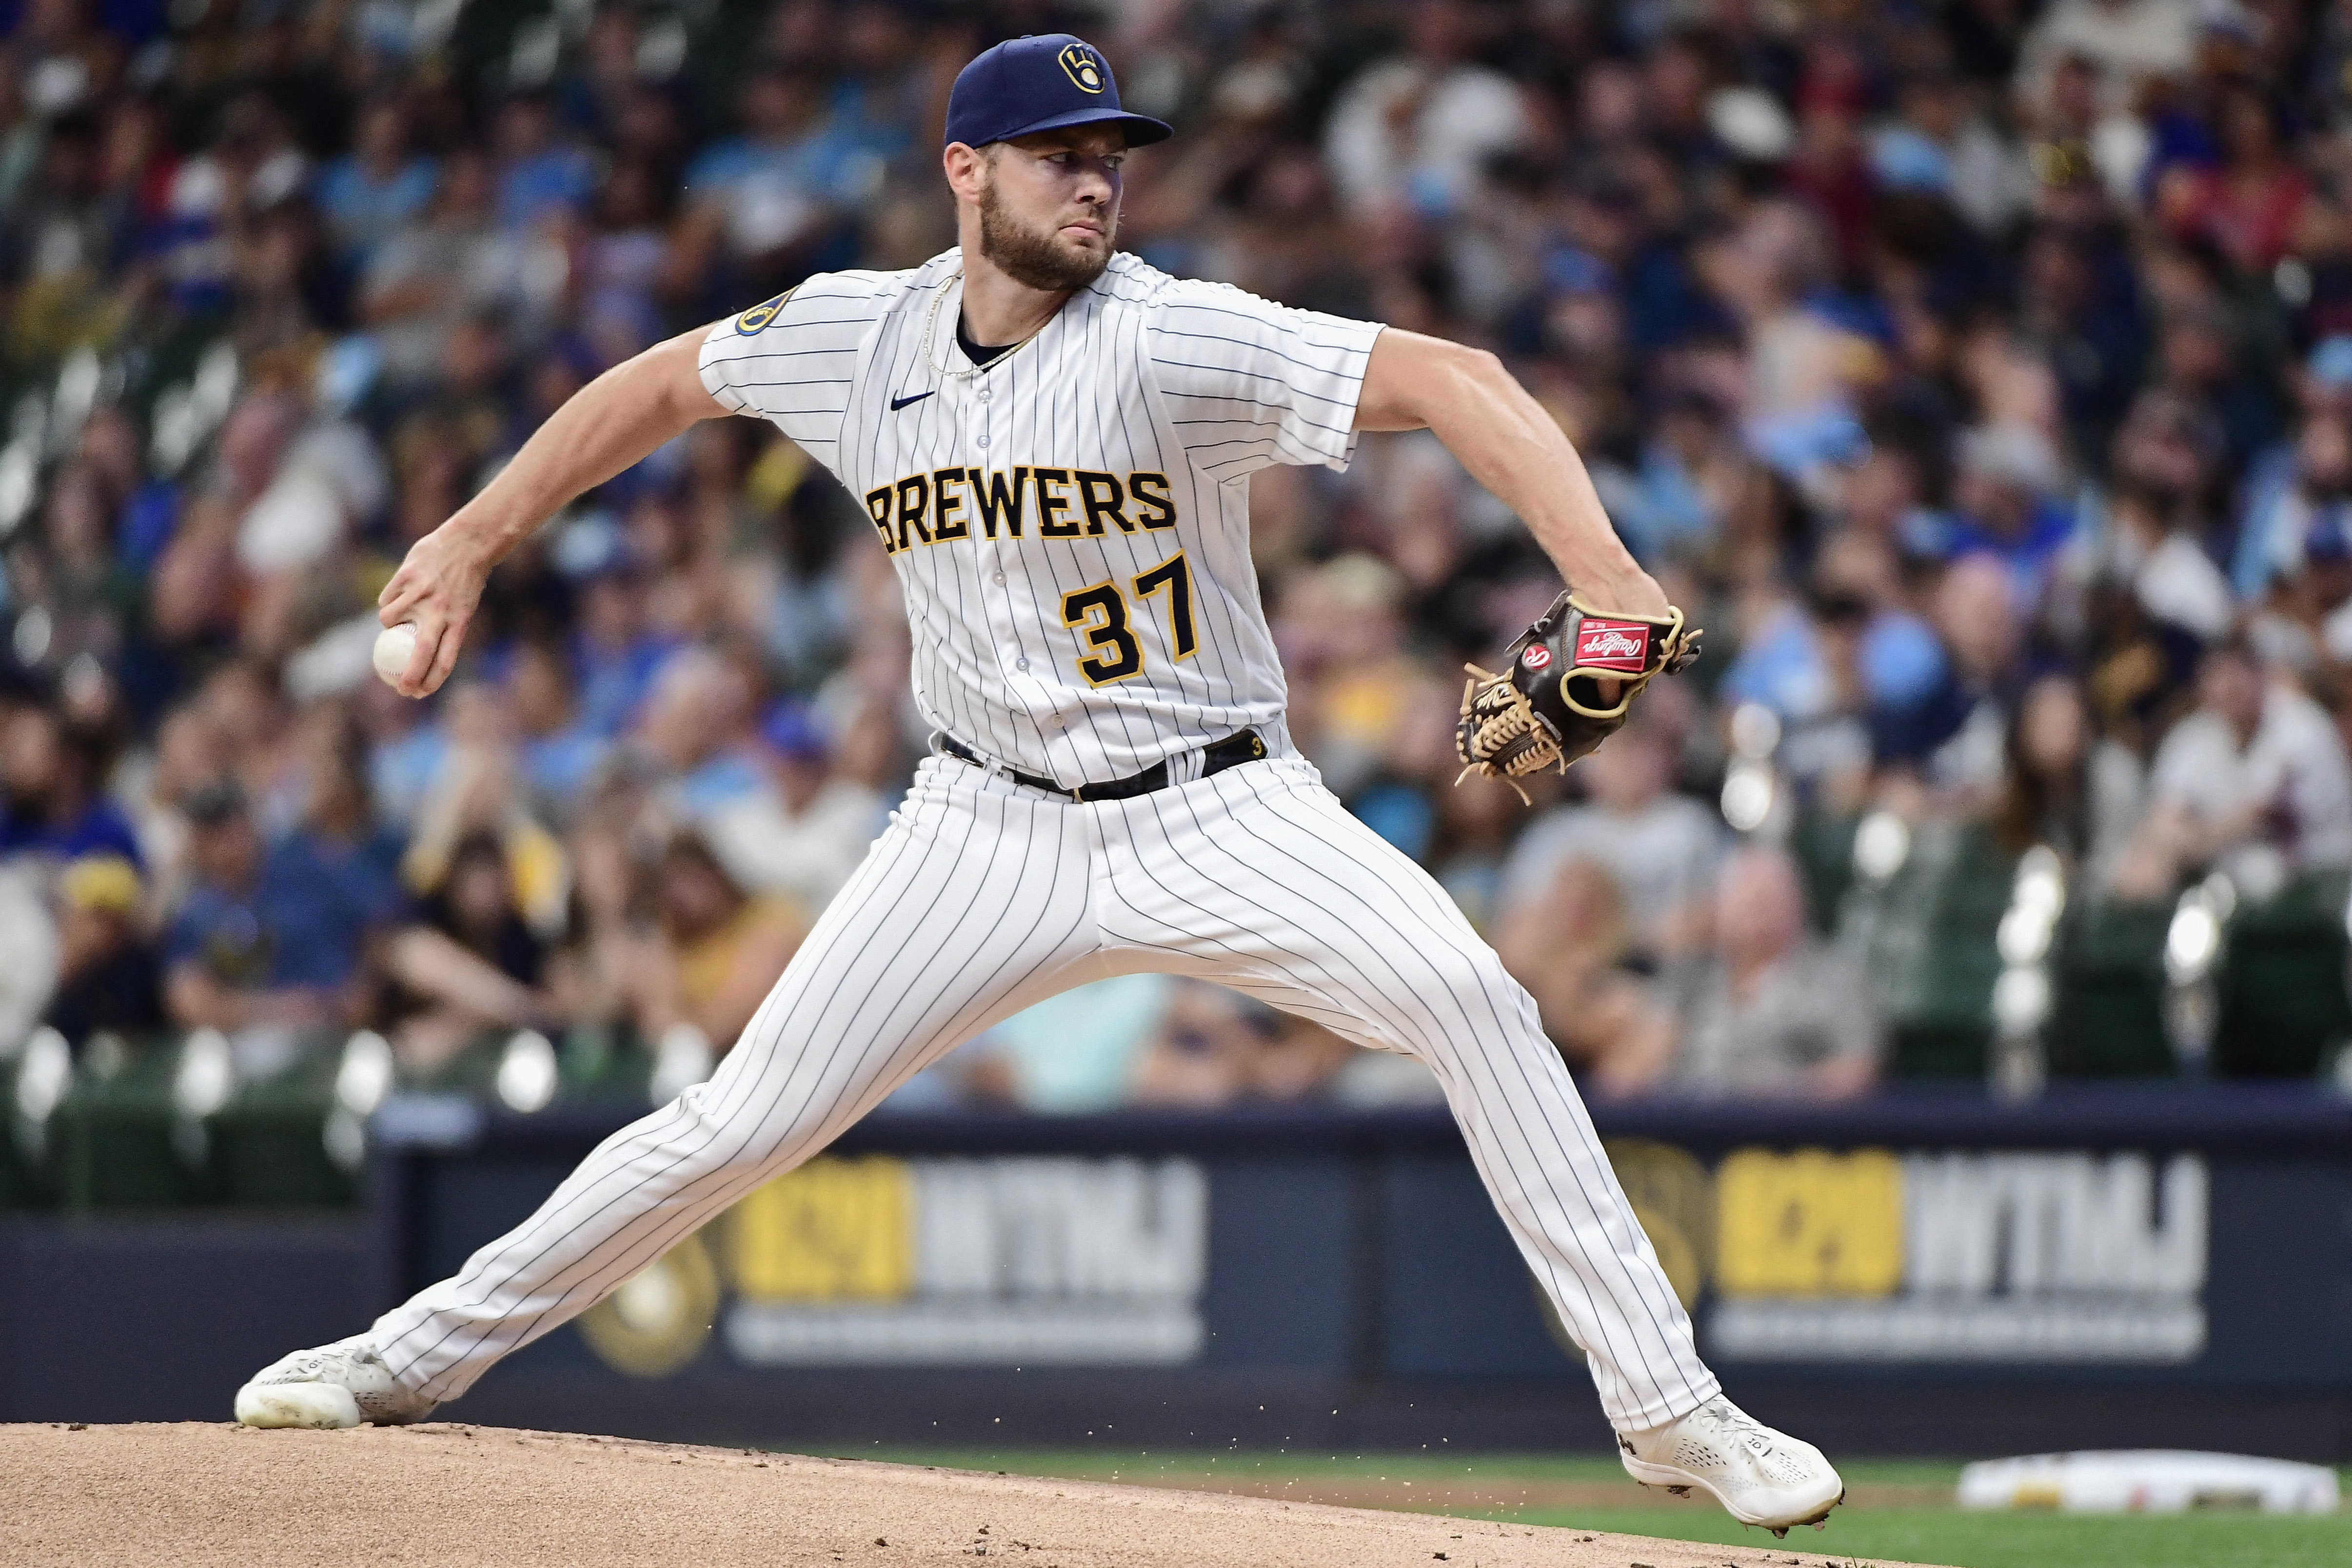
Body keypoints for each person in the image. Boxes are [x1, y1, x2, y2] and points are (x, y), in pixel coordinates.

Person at [234, 34, 1844, 1537]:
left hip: (1222, 807)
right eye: (1055, 152)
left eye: (1111, 156)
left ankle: (1671, 1411)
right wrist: (467, 538)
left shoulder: (1166, 332)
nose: (1094, 181)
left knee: (1475, 1001)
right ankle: (407, 1358)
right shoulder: (857, 336)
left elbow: (1459, 379)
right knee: (739, 1119)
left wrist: (1610, 574)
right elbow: (658, 386)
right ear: (965, 171)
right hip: (980, 823)